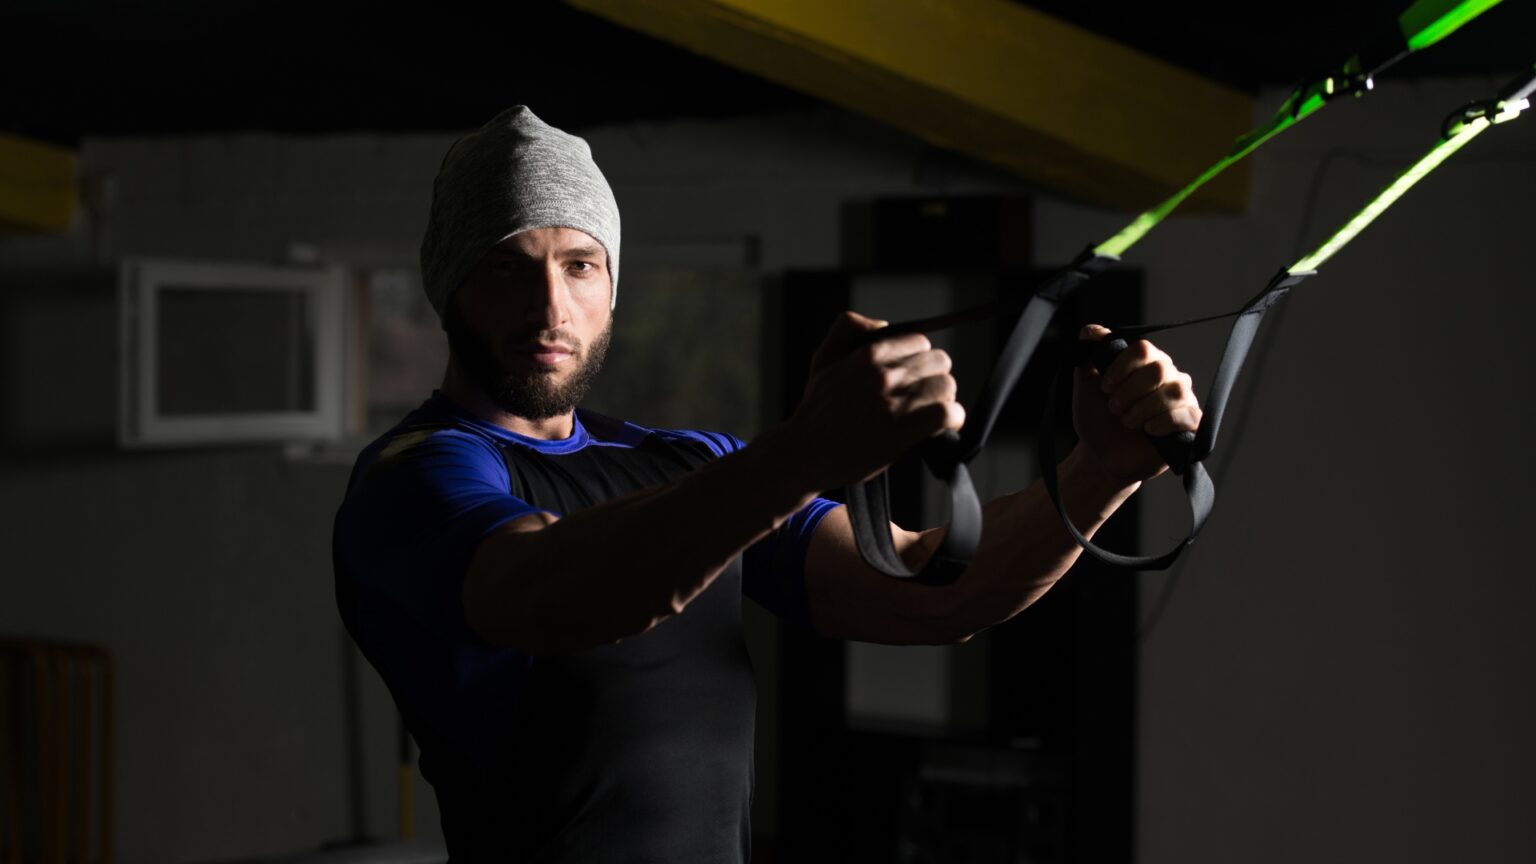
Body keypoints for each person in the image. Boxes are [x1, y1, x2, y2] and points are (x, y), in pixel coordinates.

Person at [333, 106, 1202, 862]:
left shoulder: (692, 464)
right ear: (449, 289)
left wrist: (1105, 468)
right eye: (506, 267)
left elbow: (931, 595)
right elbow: (554, 594)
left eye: (580, 265)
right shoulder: (418, 476)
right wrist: (803, 453)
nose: (549, 308)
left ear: (611, 288)